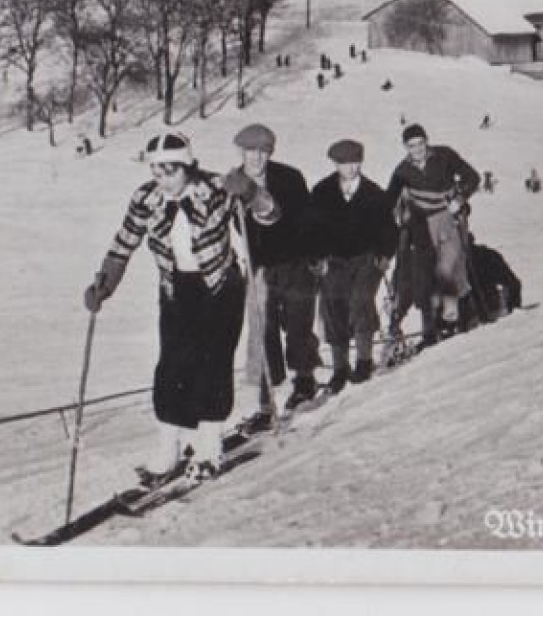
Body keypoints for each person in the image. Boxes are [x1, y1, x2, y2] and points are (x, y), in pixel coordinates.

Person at [84, 131, 247, 484]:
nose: (163, 180)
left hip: (221, 287)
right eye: (156, 172)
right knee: (172, 366)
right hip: (177, 290)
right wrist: (105, 283)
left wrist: (251, 192)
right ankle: (168, 447)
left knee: (213, 363)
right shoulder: (146, 198)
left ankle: (207, 446)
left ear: (188, 166)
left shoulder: (219, 188)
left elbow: (267, 218)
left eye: (169, 172)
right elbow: (123, 243)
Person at [224, 123, 318, 421]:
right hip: (260, 266)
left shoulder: (290, 177)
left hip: (295, 260)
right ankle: (266, 400)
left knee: (297, 324)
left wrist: (312, 257)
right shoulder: (232, 182)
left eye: (263, 152)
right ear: (241, 152)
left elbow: (306, 221)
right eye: (251, 152)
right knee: (262, 331)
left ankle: (304, 379)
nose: (257, 159)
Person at [305, 139, 397, 392]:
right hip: (334, 261)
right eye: (345, 164)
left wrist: (385, 254)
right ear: (335, 164)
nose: (351, 169)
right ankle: (339, 368)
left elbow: (389, 230)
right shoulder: (322, 192)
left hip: (366, 259)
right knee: (334, 306)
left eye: (355, 163)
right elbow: (311, 230)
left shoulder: (374, 194)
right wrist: (317, 258)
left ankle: (364, 361)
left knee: (360, 300)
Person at [386, 123, 481, 342]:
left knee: (448, 267)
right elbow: (388, 200)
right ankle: (442, 321)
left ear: (426, 141)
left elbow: (472, 178)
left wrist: (459, 199)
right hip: (420, 226)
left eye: (420, 143)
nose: (417, 149)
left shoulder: (444, 156)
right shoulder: (403, 170)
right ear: (405, 147)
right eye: (412, 146)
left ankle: (453, 318)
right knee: (426, 275)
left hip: (447, 219)